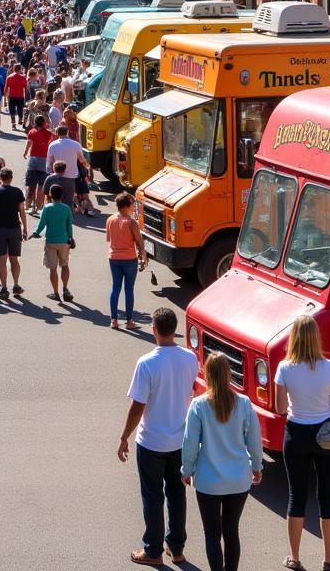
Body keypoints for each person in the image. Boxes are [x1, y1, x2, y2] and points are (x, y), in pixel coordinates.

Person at [118, 307, 199, 566]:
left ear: (154, 328)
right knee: (177, 494)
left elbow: (137, 406)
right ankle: (176, 549)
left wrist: (123, 437)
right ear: (174, 329)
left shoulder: (147, 363)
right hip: (180, 441)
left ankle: (152, 551)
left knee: (153, 496)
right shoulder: (190, 358)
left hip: (152, 442)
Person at [274, 315, 330, 571]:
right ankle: (328, 559)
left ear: (293, 338)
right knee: (327, 496)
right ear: (316, 337)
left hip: (296, 434)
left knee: (296, 496)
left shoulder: (284, 368)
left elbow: (281, 408)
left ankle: (294, 558)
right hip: (326, 436)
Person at [181, 352, 263, 571]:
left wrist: (186, 469)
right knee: (231, 531)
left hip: (208, 481)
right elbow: (254, 440)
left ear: (207, 375)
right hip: (238, 480)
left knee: (212, 534)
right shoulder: (244, 404)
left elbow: (189, 442)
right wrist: (257, 466)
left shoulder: (198, 406)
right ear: (229, 375)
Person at [0, 166, 28, 300]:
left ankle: (4, 288)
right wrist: (25, 228)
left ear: (0, 178)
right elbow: (22, 212)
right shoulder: (18, 192)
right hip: (15, 228)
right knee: (14, 259)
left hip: (0, 228)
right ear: (11, 178)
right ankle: (16, 284)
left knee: (2, 260)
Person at [107, 192, 147, 329]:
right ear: (127, 205)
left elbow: (108, 239)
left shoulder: (110, 219)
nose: (133, 207)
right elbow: (139, 243)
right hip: (129, 259)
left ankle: (114, 320)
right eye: (132, 204)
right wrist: (143, 258)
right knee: (129, 289)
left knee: (115, 288)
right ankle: (129, 321)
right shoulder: (131, 222)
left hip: (113, 258)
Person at [29, 182, 74, 302]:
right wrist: (70, 237)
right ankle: (65, 288)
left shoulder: (47, 208)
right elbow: (69, 225)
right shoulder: (66, 208)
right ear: (62, 195)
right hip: (64, 241)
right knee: (65, 265)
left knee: (52, 268)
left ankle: (56, 293)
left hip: (51, 241)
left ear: (50, 194)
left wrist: (35, 233)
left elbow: (41, 224)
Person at [46, 123, 87, 211]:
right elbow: (81, 159)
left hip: (57, 174)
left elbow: (49, 161)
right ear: (67, 132)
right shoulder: (76, 144)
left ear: (57, 133)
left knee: (56, 196)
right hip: (71, 176)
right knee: (69, 199)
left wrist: (49, 171)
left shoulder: (52, 145)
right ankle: (67, 216)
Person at [23, 113, 53, 216]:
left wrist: (25, 152)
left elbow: (28, 144)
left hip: (33, 160)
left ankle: (28, 205)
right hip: (44, 161)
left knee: (31, 185)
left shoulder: (32, 132)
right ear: (44, 123)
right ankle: (39, 207)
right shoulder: (49, 134)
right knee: (41, 186)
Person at [5, 63, 28, 129]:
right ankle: (20, 119)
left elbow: (6, 89)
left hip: (11, 96)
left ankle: (13, 124)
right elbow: (25, 88)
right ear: (20, 69)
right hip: (20, 96)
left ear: (14, 69)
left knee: (12, 110)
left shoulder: (9, 77)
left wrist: (6, 98)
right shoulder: (23, 78)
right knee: (20, 109)